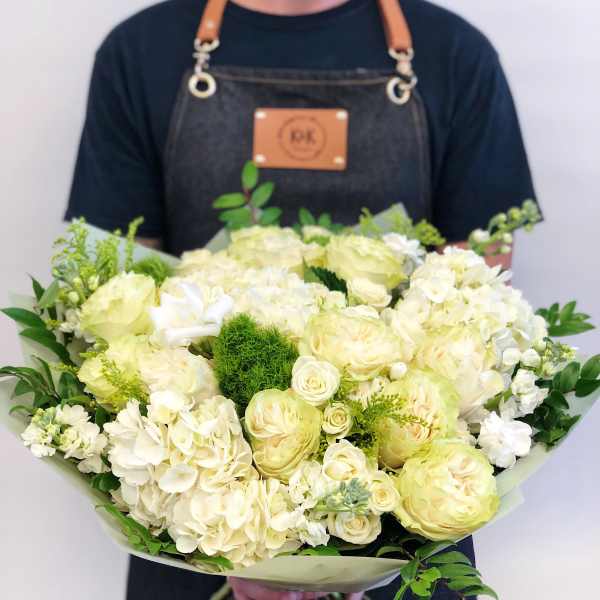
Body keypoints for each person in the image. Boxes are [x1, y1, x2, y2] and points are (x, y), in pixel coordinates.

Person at [65, 1, 536, 598]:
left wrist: (356, 539)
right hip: (194, 524)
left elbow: (479, 298)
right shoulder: (140, 52)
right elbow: (112, 300)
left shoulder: (455, 55)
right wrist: (233, 538)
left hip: (406, 538)